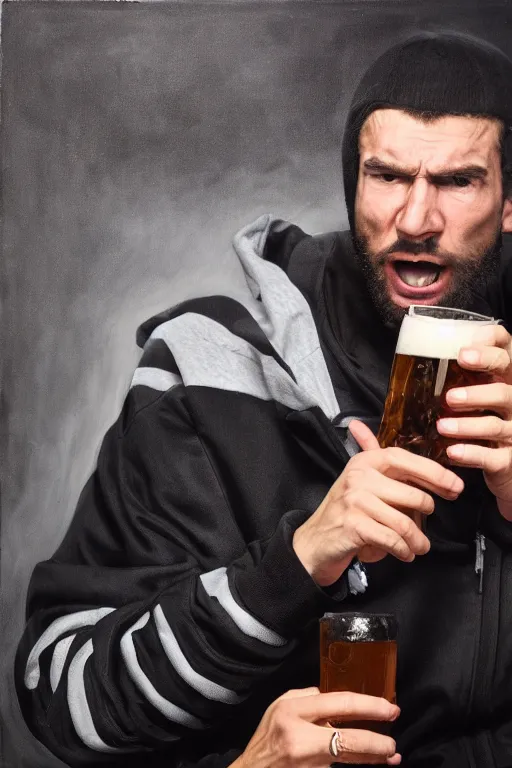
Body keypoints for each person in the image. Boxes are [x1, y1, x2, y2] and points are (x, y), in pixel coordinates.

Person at [15, 31, 512, 768]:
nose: (414, 219)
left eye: (457, 181)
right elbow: (63, 694)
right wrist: (293, 562)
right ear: (353, 185)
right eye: (386, 176)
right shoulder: (208, 368)